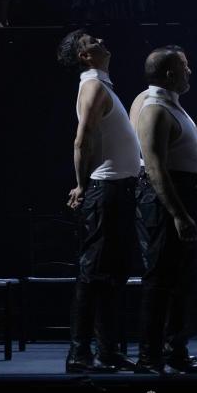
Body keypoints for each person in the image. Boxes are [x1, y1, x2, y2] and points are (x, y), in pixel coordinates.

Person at [132, 46, 197, 374]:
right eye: (184, 66)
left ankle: (175, 352)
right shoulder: (154, 109)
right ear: (170, 73)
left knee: (180, 280)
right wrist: (177, 213)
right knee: (160, 279)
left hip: (185, 193)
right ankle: (149, 357)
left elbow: (189, 143)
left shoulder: (172, 106)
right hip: (168, 198)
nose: (190, 71)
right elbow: (154, 167)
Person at [57, 30, 141, 374]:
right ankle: (79, 353)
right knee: (93, 273)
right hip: (106, 190)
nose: (102, 40)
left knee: (114, 275)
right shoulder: (92, 86)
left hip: (119, 190)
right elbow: (83, 140)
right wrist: (81, 184)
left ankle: (107, 351)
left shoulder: (102, 85)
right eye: (92, 41)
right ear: (84, 56)